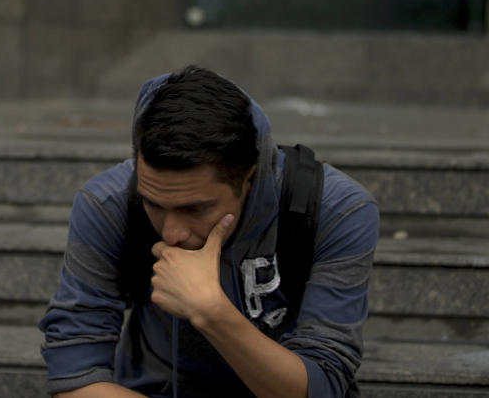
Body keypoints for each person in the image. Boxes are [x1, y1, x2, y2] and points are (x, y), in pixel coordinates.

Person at [39, 66, 379, 398]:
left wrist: (211, 312)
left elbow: (322, 385)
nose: (172, 234)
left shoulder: (336, 210)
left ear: (248, 178)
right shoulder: (107, 205)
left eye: (194, 209)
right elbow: (74, 377)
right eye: (154, 204)